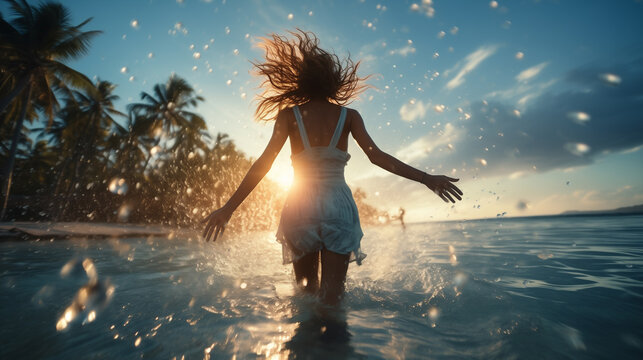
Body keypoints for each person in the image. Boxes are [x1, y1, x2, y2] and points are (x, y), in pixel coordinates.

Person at [202, 30, 463, 306]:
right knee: (333, 302)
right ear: (333, 81)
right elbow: (378, 157)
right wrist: (425, 178)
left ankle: (306, 346)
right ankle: (335, 346)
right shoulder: (349, 116)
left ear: (301, 82)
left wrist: (228, 209)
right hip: (338, 205)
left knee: (305, 298)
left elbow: (264, 164)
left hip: (299, 204)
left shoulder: (289, 115)